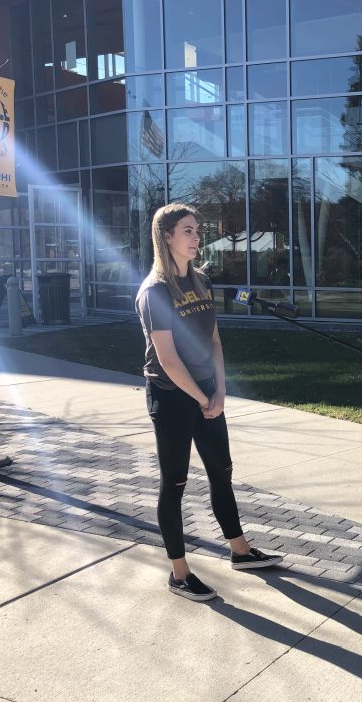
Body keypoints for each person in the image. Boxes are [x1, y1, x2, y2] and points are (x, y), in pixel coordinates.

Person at [136, 202, 282, 602]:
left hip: (206, 393)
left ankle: (240, 552)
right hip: (172, 396)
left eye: (197, 230)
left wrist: (219, 390)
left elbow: (214, 341)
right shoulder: (155, 292)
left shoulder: (201, 281)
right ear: (166, 237)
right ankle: (179, 574)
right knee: (175, 484)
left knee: (222, 472)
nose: (197, 237)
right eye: (188, 231)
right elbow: (167, 358)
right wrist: (203, 397)